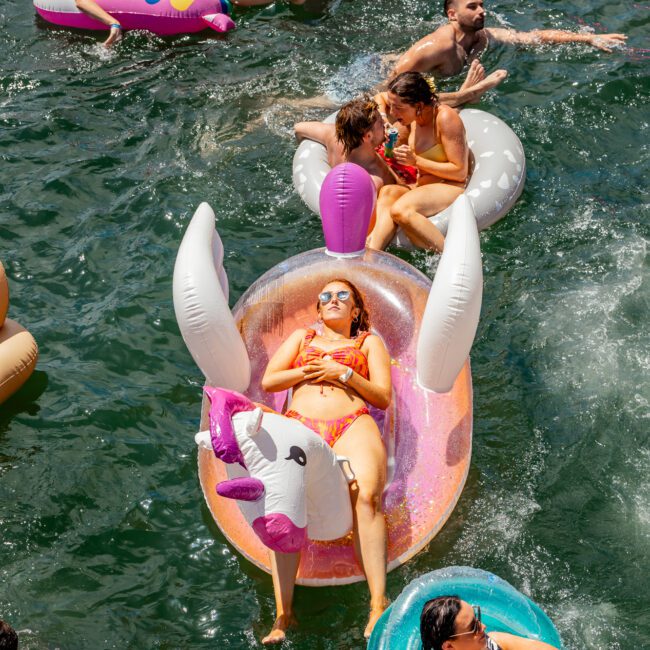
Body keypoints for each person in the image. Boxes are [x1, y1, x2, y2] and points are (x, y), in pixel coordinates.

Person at [260, 279, 392, 644]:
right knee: (284, 504)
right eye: (325, 297)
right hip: (301, 424)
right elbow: (271, 380)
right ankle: (284, 614)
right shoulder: (303, 339)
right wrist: (310, 370)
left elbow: (382, 396)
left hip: (352, 422)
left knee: (367, 495)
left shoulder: (367, 343)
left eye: (342, 296)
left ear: (355, 311)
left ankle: (378, 603)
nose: (333, 300)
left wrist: (344, 373)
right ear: (318, 310)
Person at [392, 0, 627, 82]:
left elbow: (534, 37)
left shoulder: (483, 36)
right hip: (383, 70)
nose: (482, 11)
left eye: (482, 5)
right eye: (472, 6)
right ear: (452, 14)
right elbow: (391, 80)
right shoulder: (438, 45)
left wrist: (587, 38)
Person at [367, 72, 468, 252]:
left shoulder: (445, 119)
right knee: (388, 191)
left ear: (419, 105)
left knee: (400, 210)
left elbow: (460, 171)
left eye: (398, 107)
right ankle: (372, 254)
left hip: (450, 185)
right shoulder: (414, 118)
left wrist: (416, 161)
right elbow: (379, 97)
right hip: (422, 185)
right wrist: (382, 115)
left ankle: (450, 255)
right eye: (392, 106)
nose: (393, 112)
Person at [294, 96, 402, 194]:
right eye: (381, 123)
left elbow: (298, 128)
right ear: (368, 136)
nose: (385, 124)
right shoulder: (376, 179)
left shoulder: (334, 137)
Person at [420, 596, 559, 650]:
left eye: (477, 618)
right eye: (473, 627)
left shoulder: (493, 642)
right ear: (449, 646)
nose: (483, 626)